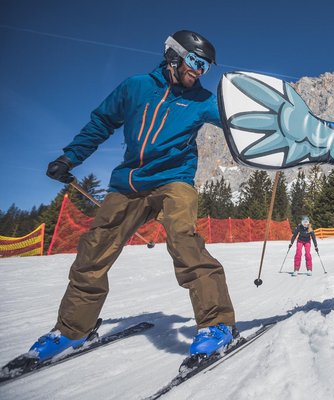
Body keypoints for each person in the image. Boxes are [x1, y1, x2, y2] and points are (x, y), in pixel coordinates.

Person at [29, 30, 236, 362]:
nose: (199, 71)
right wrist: (70, 157)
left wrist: (276, 137)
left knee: (184, 240)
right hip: (129, 184)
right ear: (174, 55)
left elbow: (235, 122)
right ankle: (71, 329)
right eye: (196, 62)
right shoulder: (135, 87)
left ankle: (217, 325)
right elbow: (101, 122)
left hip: (174, 180)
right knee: (93, 250)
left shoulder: (203, 101)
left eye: (205, 67)